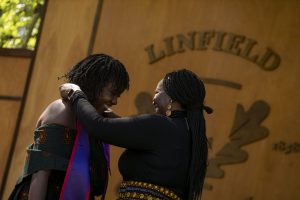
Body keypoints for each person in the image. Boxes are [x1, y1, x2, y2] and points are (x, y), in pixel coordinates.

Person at [60, 69, 212, 200]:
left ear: (172, 97)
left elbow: (98, 126)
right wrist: (112, 116)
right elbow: (142, 136)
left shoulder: (161, 126)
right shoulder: (190, 136)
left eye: (157, 92)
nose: (153, 100)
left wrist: (75, 94)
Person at [9, 54, 129, 200]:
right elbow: (41, 174)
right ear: (96, 83)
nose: (115, 101)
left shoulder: (96, 116)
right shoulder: (62, 111)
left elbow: (127, 129)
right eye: (112, 93)